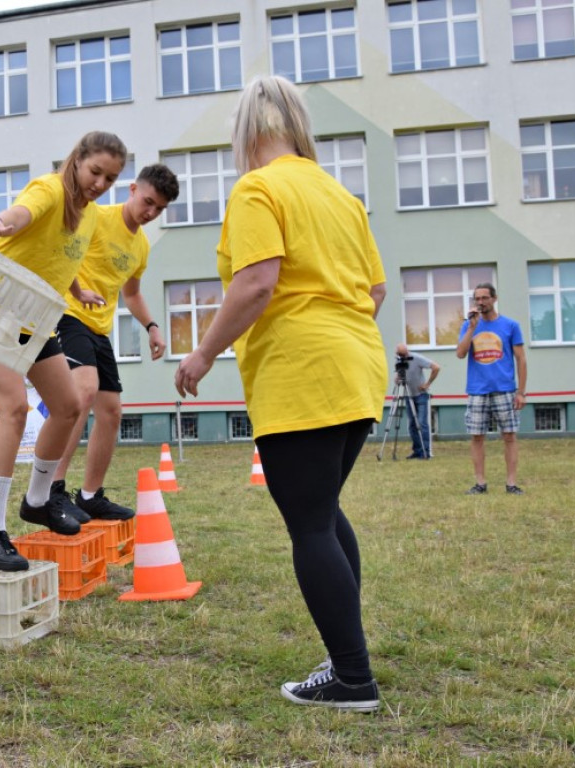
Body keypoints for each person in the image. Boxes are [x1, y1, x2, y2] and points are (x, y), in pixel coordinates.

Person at [174, 75, 386, 713]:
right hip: (357, 364)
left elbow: (257, 282)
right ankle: (347, 660)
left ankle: (352, 678)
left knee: (310, 522)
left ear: (245, 132)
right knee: (324, 511)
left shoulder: (258, 188)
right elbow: (375, 292)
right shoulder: (338, 195)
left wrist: (204, 351)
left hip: (302, 368)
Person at [0, 131, 128, 572]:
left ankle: (37, 500)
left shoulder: (89, 214)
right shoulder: (50, 189)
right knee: (14, 409)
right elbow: (24, 213)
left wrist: (78, 287)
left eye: (110, 179)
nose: (99, 184)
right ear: (77, 160)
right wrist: (1, 224)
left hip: (33, 318)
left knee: (69, 405)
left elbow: (63, 254)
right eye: (96, 172)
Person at [50, 164, 180, 521]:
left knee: (111, 412)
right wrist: (76, 288)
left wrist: (152, 326)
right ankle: (51, 491)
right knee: (83, 392)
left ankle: (90, 495)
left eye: (160, 209)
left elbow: (132, 294)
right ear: (133, 189)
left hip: (99, 329)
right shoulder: (96, 217)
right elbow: (62, 252)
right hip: (69, 314)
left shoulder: (140, 246)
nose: (151, 213)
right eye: (149, 202)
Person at [455, 283, 527, 495]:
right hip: (478, 390)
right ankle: (480, 483)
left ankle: (511, 483)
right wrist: (470, 327)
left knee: (509, 436)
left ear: (494, 299)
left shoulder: (510, 325)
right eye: (477, 299)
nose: (480, 302)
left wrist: (521, 392)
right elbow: (460, 354)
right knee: (477, 437)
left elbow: (521, 359)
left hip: (505, 389)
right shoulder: (469, 325)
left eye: (485, 298)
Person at [394, 342, 439, 460]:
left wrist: (427, 383)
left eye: (404, 354)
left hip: (421, 395)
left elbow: (436, 367)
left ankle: (426, 451)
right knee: (412, 425)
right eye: (400, 355)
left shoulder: (416, 358)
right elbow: (397, 378)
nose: (402, 357)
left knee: (422, 423)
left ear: (407, 352)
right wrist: (397, 379)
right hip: (409, 395)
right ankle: (417, 451)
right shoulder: (399, 361)